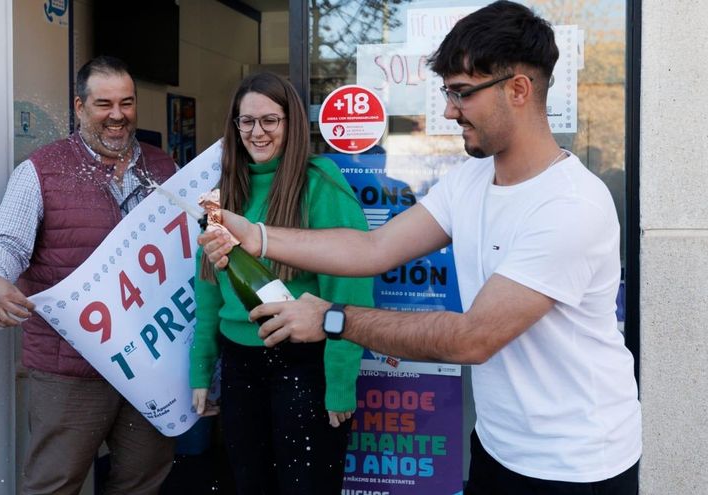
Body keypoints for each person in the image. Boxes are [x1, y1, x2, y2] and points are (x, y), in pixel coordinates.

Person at [198, 3, 641, 494]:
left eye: (461, 93)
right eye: (447, 92)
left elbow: (473, 338)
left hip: (575, 464)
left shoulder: (569, 206)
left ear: (519, 90)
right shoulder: (473, 178)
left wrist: (331, 318)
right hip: (498, 446)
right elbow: (373, 247)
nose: (449, 109)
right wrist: (256, 235)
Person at [0, 56, 177, 494]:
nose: (117, 115)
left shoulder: (164, 168)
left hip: (151, 363)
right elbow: (4, 244)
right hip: (71, 369)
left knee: (143, 482)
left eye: (126, 102)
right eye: (104, 104)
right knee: (54, 485)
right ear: (79, 107)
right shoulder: (42, 170)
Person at [189, 71, 373, 494]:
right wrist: (202, 371)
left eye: (270, 120)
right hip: (239, 367)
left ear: (290, 123)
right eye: (247, 121)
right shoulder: (223, 196)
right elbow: (207, 291)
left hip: (305, 365)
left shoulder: (319, 182)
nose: (257, 132)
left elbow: (351, 286)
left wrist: (341, 383)